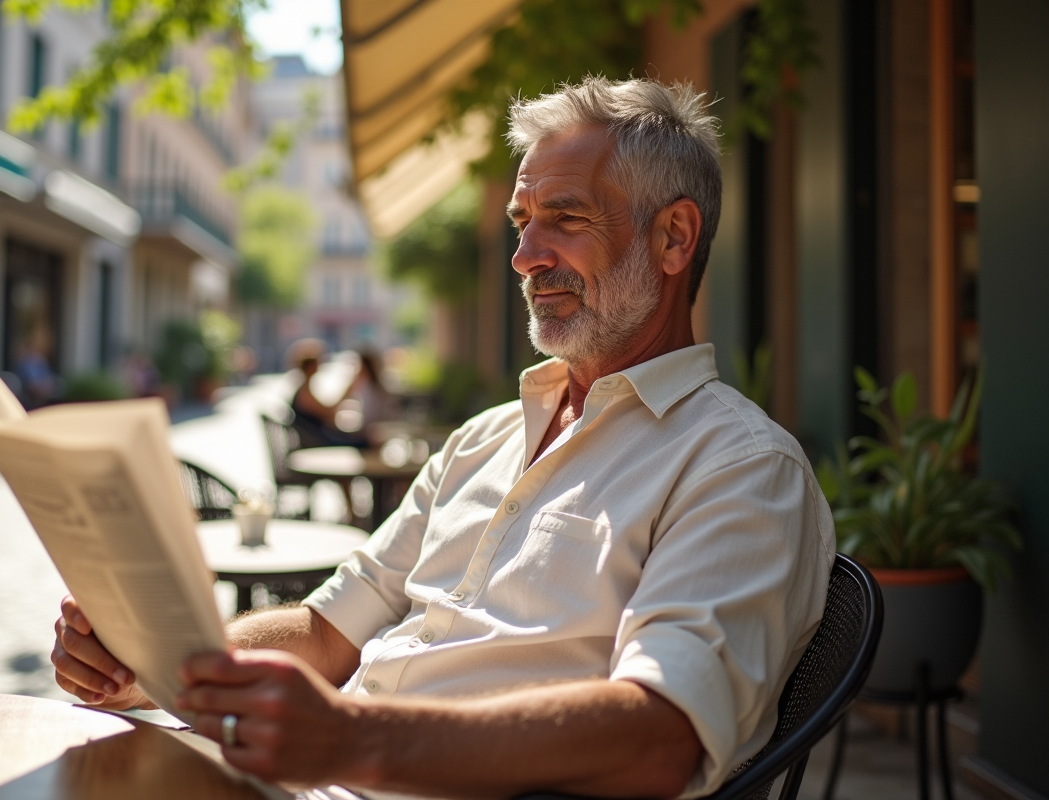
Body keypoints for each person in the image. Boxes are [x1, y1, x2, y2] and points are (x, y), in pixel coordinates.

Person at [50, 77, 835, 799]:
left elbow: (661, 734)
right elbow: (326, 632)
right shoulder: (482, 440)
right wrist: (156, 668)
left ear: (673, 239)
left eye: (566, 218)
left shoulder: (740, 468)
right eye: (524, 224)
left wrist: (347, 739)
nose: (526, 257)